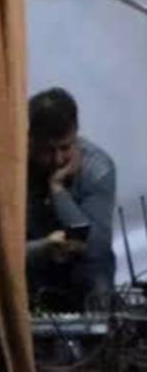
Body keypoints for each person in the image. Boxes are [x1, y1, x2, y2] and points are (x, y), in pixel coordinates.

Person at [25, 87, 116, 312]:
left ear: (76, 134)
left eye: (65, 148)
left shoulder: (98, 167)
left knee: (97, 267)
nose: (58, 160)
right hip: (33, 264)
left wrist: (57, 188)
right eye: (48, 150)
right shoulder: (14, 169)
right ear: (30, 141)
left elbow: (97, 246)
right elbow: (2, 250)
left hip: (82, 267)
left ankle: (98, 329)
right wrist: (43, 249)